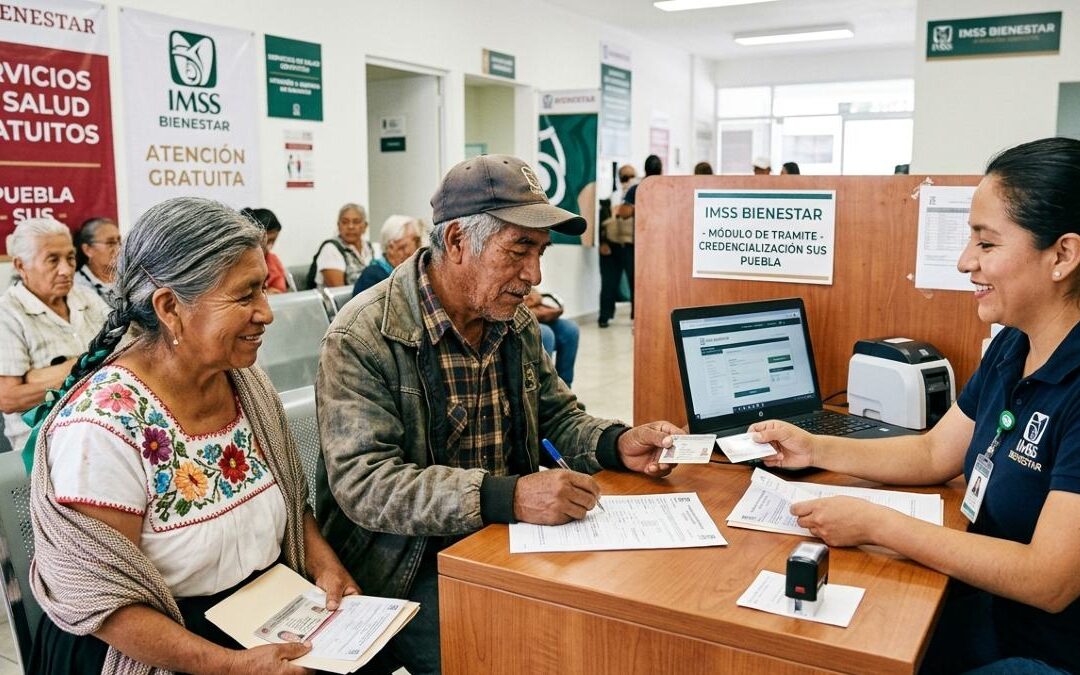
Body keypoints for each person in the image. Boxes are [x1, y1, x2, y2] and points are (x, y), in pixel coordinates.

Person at [316, 154, 681, 675]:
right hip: (403, 565)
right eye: (518, 250)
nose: (533, 276)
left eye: (540, 253)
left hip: (502, 538)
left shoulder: (513, 322)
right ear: (459, 242)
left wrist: (615, 443)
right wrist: (506, 495)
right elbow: (366, 484)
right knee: (518, 654)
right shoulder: (364, 336)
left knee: (608, 622)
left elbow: (556, 418)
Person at [751, 137, 1080, 674]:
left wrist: (879, 526)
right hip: (995, 615)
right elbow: (934, 453)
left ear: (1062, 255)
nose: (964, 262)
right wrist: (813, 446)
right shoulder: (1012, 345)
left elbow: (1050, 580)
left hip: (1049, 653)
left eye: (987, 244)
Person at [27, 197, 359, 674]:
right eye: (245, 296)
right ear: (169, 307)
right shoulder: (103, 424)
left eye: (263, 290)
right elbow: (102, 599)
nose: (266, 312)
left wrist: (324, 564)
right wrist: (232, 666)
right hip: (149, 646)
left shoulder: (242, 380)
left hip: (252, 616)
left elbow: (286, 498)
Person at [0, 218, 110, 454]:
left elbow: (127, 351)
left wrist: (46, 375)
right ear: (21, 266)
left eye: (70, 258)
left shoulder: (85, 297)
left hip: (100, 428)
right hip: (45, 444)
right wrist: (88, 365)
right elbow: (8, 398)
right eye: (53, 260)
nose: (66, 269)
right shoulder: (8, 313)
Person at [604, 155, 662, 327]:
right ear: (661, 169)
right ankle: (648, 315)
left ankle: (640, 317)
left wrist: (639, 206)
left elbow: (623, 212)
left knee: (640, 281)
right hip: (659, 244)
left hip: (642, 243)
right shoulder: (668, 186)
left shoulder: (638, 189)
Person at [352, 215, 424, 296]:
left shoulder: (407, 273)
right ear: (391, 247)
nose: (417, 248)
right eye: (416, 241)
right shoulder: (373, 277)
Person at [524, 288, 579, 386]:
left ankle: (564, 389)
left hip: (529, 309)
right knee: (545, 334)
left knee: (570, 329)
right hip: (510, 314)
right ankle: (543, 390)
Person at [313, 203, 374, 288]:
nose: (350, 226)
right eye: (345, 222)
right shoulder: (330, 249)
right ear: (338, 225)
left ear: (365, 226)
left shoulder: (370, 247)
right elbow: (339, 293)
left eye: (356, 222)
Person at [74, 216, 121, 307]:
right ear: (88, 250)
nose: (118, 248)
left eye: (119, 241)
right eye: (110, 243)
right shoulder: (77, 285)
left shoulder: (127, 278)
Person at [241, 207, 288, 294]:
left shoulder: (273, 260)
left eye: (273, 241)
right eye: (268, 241)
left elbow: (281, 289)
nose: (270, 247)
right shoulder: (237, 264)